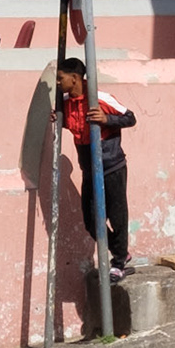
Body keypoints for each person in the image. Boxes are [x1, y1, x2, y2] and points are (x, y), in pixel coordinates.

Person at [57, 56, 136, 281]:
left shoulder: (100, 98)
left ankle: (118, 263)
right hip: (89, 169)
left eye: (61, 78)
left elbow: (130, 118)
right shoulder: (64, 102)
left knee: (117, 217)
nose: (58, 83)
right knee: (91, 221)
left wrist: (106, 119)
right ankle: (121, 252)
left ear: (74, 78)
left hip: (111, 166)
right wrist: (58, 118)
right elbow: (72, 123)